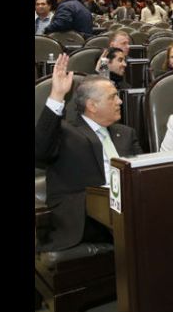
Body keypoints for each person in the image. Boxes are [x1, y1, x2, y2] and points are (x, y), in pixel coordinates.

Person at [35, 54, 142, 251]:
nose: (120, 101)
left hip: (126, 205)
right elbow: (39, 152)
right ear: (92, 106)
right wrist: (57, 96)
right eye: (113, 97)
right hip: (84, 214)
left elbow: (141, 173)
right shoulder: (66, 132)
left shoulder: (126, 133)